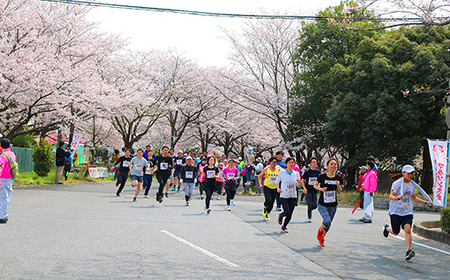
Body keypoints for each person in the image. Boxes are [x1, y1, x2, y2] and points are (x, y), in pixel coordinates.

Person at [383, 165, 433, 260]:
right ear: (403, 173)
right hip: (396, 210)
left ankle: (408, 251)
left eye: (412, 173)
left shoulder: (412, 184)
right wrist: (397, 198)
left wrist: (426, 202)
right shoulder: (397, 183)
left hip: (407, 210)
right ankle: (387, 228)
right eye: (408, 173)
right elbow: (391, 196)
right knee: (395, 231)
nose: (410, 175)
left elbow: (414, 198)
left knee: (407, 229)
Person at [314, 158, 343, 247]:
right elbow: (315, 185)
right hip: (323, 203)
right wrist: (321, 189)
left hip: (333, 204)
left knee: (329, 224)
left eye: (335, 164)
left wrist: (338, 186)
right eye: (331, 164)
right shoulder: (322, 176)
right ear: (327, 166)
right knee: (327, 220)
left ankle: (322, 238)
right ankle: (320, 231)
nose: (333, 166)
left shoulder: (338, 177)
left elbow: (340, 191)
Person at [275, 157, 302, 233]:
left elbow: (298, 185)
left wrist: (299, 183)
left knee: (290, 214)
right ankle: (281, 215)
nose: (291, 164)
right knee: (287, 212)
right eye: (289, 162)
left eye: (293, 162)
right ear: (286, 164)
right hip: (284, 195)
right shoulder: (282, 173)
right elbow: (277, 181)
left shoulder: (296, 173)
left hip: (293, 195)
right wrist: (278, 188)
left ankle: (284, 226)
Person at [0, 139, 17, 223]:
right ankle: (5, 215)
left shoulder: (3, 156)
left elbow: (0, 167)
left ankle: (2, 216)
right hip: (10, 178)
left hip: (2, 178)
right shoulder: (12, 154)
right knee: (7, 197)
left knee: (2, 197)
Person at [258, 157, 279, 221]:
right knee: (268, 200)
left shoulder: (278, 170)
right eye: (272, 162)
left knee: (272, 203)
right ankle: (265, 207)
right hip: (267, 186)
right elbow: (260, 176)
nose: (274, 163)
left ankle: (267, 213)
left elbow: (281, 178)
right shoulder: (266, 169)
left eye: (275, 162)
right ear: (270, 162)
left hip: (274, 187)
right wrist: (260, 184)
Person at [301, 157, 321, 223]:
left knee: (315, 205)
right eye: (313, 162)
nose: (314, 163)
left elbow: (320, 180)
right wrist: (304, 188)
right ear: (310, 163)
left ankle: (310, 209)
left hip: (315, 190)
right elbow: (302, 180)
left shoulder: (318, 172)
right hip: (308, 190)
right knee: (309, 204)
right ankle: (309, 217)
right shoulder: (307, 171)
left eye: (315, 162)